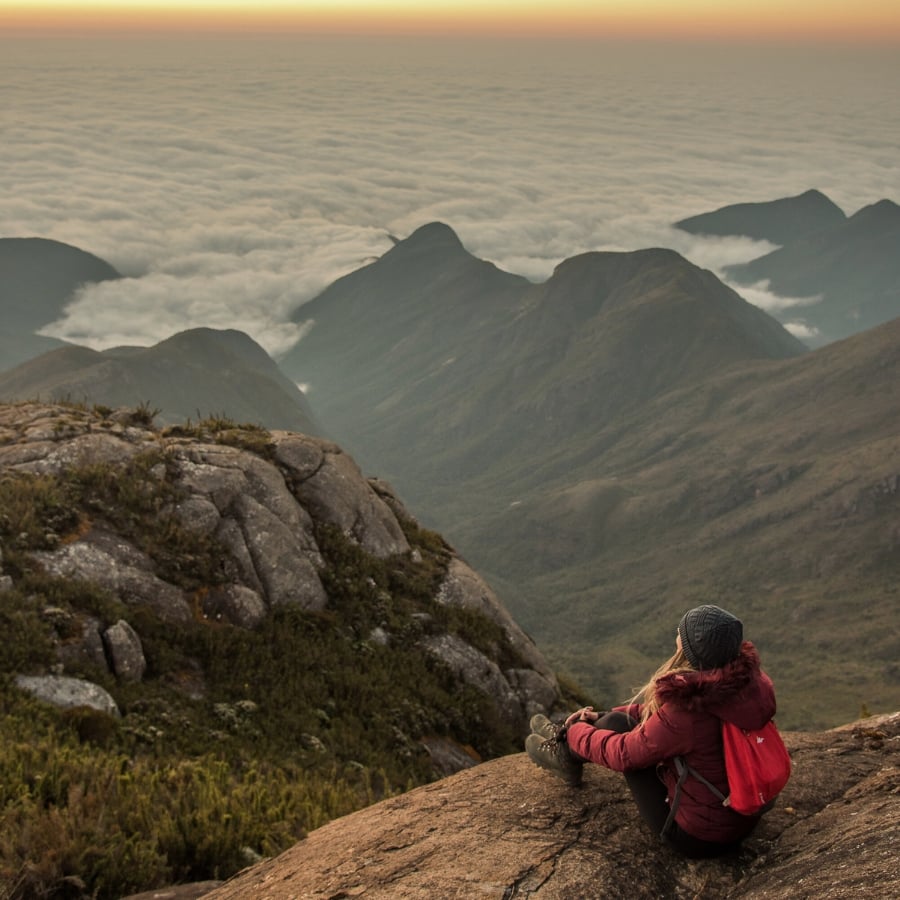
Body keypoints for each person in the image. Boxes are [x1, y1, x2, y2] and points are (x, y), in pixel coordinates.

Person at [525, 604, 777, 858]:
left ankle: (564, 747)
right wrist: (600, 716)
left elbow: (624, 754)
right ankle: (564, 745)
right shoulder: (743, 686)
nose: (676, 636)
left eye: (681, 635)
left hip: (698, 838)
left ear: (691, 653)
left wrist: (577, 732)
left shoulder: (686, 714)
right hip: (740, 820)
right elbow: (663, 719)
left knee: (619, 735)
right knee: (615, 721)